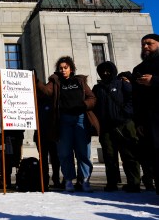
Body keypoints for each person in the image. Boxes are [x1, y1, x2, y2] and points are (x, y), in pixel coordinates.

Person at [36, 56, 99, 193]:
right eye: (61, 68)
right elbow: (46, 91)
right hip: (63, 120)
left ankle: (85, 180)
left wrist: (83, 105)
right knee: (64, 152)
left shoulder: (80, 81)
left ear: (71, 69)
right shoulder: (55, 81)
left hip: (80, 119)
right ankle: (69, 180)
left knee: (83, 152)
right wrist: (36, 81)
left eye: (66, 68)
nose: (63, 70)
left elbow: (92, 98)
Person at [92, 61, 140, 192]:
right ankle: (112, 183)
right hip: (106, 127)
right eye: (102, 71)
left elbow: (132, 99)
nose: (105, 73)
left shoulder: (122, 84)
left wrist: (126, 113)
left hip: (124, 125)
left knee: (129, 155)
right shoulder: (98, 88)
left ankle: (134, 183)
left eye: (108, 71)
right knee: (109, 157)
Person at [132, 33, 159, 194]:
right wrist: (139, 122)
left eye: (149, 43)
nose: (145, 47)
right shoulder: (139, 69)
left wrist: (154, 81)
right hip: (149, 120)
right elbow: (136, 99)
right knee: (154, 155)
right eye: (143, 44)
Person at [34, 93, 62, 189]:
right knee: (44, 159)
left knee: (54, 159)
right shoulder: (36, 103)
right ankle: (45, 179)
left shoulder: (53, 103)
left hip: (51, 135)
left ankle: (55, 179)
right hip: (41, 135)